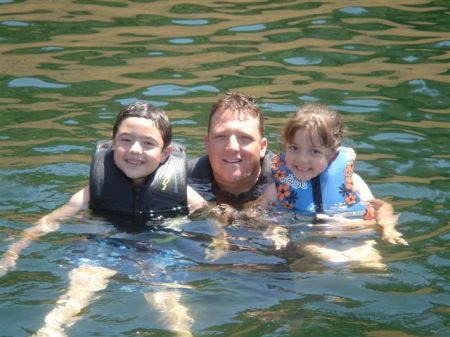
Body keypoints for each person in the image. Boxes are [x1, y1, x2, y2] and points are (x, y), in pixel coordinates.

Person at [1, 102, 207, 337]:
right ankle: (51, 329)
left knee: (167, 299)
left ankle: (183, 333)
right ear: (112, 145)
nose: (135, 150)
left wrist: (219, 240)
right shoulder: (93, 191)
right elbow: (50, 221)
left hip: (157, 248)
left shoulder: (182, 192)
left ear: (165, 154)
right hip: (104, 245)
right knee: (81, 285)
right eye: (126, 140)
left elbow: (212, 216)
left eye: (148, 143)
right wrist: (14, 250)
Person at [256, 103, 407, 267]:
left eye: (314, 151)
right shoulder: (277, 188)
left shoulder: (353, 181)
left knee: (376, 267)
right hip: (309, 240)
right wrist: (275, 230)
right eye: (294, 148)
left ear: (333, 152)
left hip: (351, 235)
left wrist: (388, 226)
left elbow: (380, 207)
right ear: (285, 145)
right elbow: (262, 215)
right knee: (329, 259)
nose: (301, 159)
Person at [187, 91, 272, 208]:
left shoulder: (288, 177)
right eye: (221, 136)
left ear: (262, 147)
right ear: (207, 143)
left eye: (245, 137)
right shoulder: (181, 179)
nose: (232, 147)